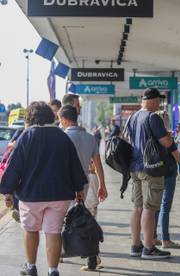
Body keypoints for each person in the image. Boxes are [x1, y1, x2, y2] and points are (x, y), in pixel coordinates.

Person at [0, 101, 87, 276]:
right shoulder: (63, 137)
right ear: (50, 116)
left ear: (31, 117)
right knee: (53, 232)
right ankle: (53, 270)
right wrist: (79, 189)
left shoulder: (26, 136)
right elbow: (74, 165)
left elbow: (15, 166)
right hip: (59, 195)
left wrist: (7, 191)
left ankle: (31, 267)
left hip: (31, 195)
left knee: (31, 230)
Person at [127, 88, 180, 259]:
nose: (159, 104)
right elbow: (165, 141)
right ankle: (149, 248)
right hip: (152, 167)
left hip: (134, 167)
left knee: (137, 208)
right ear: (153, 100)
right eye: (158, 101)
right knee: (150, 208)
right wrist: (177, 154)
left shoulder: (133, 117)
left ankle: (135, 245)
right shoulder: (153, 117)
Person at [58, 105, 108, 271]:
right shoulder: (90, 137)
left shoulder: (62, 137)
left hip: (64, 184)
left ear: (65, 119)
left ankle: (60, 253)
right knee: (84, 219)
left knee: (62, 219)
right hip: (84, 184)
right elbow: (97, 164)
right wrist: (102, 185)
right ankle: (91, 258)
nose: (60, 123)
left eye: (60, 120)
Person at [153, 111, 180, 249]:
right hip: (169, 173)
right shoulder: (168, 137)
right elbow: (177, 157)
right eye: (166, 119)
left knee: (155, 207)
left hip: (156, 172)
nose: (169, 121)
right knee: (165, 207)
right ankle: (165, 239)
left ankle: (153, 237)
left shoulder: (153, 136)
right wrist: (179, 158)